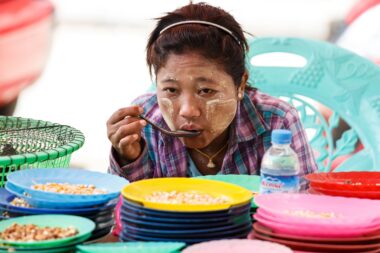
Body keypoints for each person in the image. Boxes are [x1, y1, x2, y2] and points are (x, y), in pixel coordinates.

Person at [107, 2, 318, 190]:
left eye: (206, 91)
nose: (188, 110)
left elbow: (303, 206)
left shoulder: (277, 120)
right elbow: (127, 214)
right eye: (171, 90)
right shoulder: (146, 122)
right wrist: (129, 158)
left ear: (240, 84)